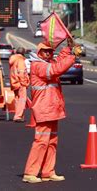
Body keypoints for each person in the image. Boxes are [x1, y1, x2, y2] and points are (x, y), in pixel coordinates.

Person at [22, 38, 79, 184]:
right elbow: (56, 69)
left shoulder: (46, 63)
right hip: (44, 109)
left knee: (52, 141)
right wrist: (73, 56)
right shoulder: (38, 66)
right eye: (44, 51)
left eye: (49, 52)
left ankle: (48, 171)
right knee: (41, 141)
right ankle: (30, 173)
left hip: (51, 109)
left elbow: (59, 60)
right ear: (39, 52)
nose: (47, 54)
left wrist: (68, 48)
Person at [9, 47, 30, 122]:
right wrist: (25, 83)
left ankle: (19, 116)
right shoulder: (21, 60)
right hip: (20, 83)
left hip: (14, 82)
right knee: (22, 100)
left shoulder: (13, 59)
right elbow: (21, 73)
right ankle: (18, 116)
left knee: (17, 100)